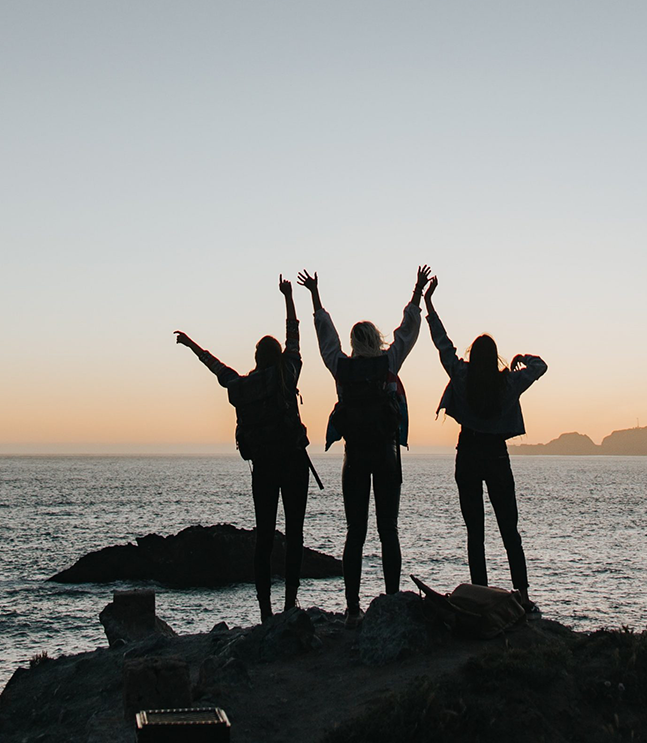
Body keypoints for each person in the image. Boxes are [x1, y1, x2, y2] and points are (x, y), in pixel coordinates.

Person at [174, 275, 313, 623]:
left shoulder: (243, 387)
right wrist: (288, 298)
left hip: (263, 468)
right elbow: (294, 335)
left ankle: (265, 611)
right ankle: (290, 603)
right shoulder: (287, 374)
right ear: (278, 356)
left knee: (263, 537)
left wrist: (192, 346)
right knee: (294, 533)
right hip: (294, 462)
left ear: (256, 357)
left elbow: (217, 368)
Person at [297, 265, 430, 627]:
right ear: (377, 339)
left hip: (353, 457)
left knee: (355, 531)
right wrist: (416, 291)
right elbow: (409, 330)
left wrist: (315, 297)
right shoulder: (390, 362)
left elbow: (326, 339)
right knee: (389, 528)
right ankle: (389, 600)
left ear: (355, 343)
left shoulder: (342, 367)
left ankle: (353, 607)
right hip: (387, 456)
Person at [423, 275, 547, 614]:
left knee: (474, 530)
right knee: (510, 529)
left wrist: (429, 303)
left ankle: (478, 594)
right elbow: (541, 367)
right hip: (496, 455)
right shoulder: (508, 382)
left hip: (468, 454)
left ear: (472, 355)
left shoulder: (461, 375)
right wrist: (523, 356)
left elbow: (442, 343)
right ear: (494, 357)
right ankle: (521, 594)